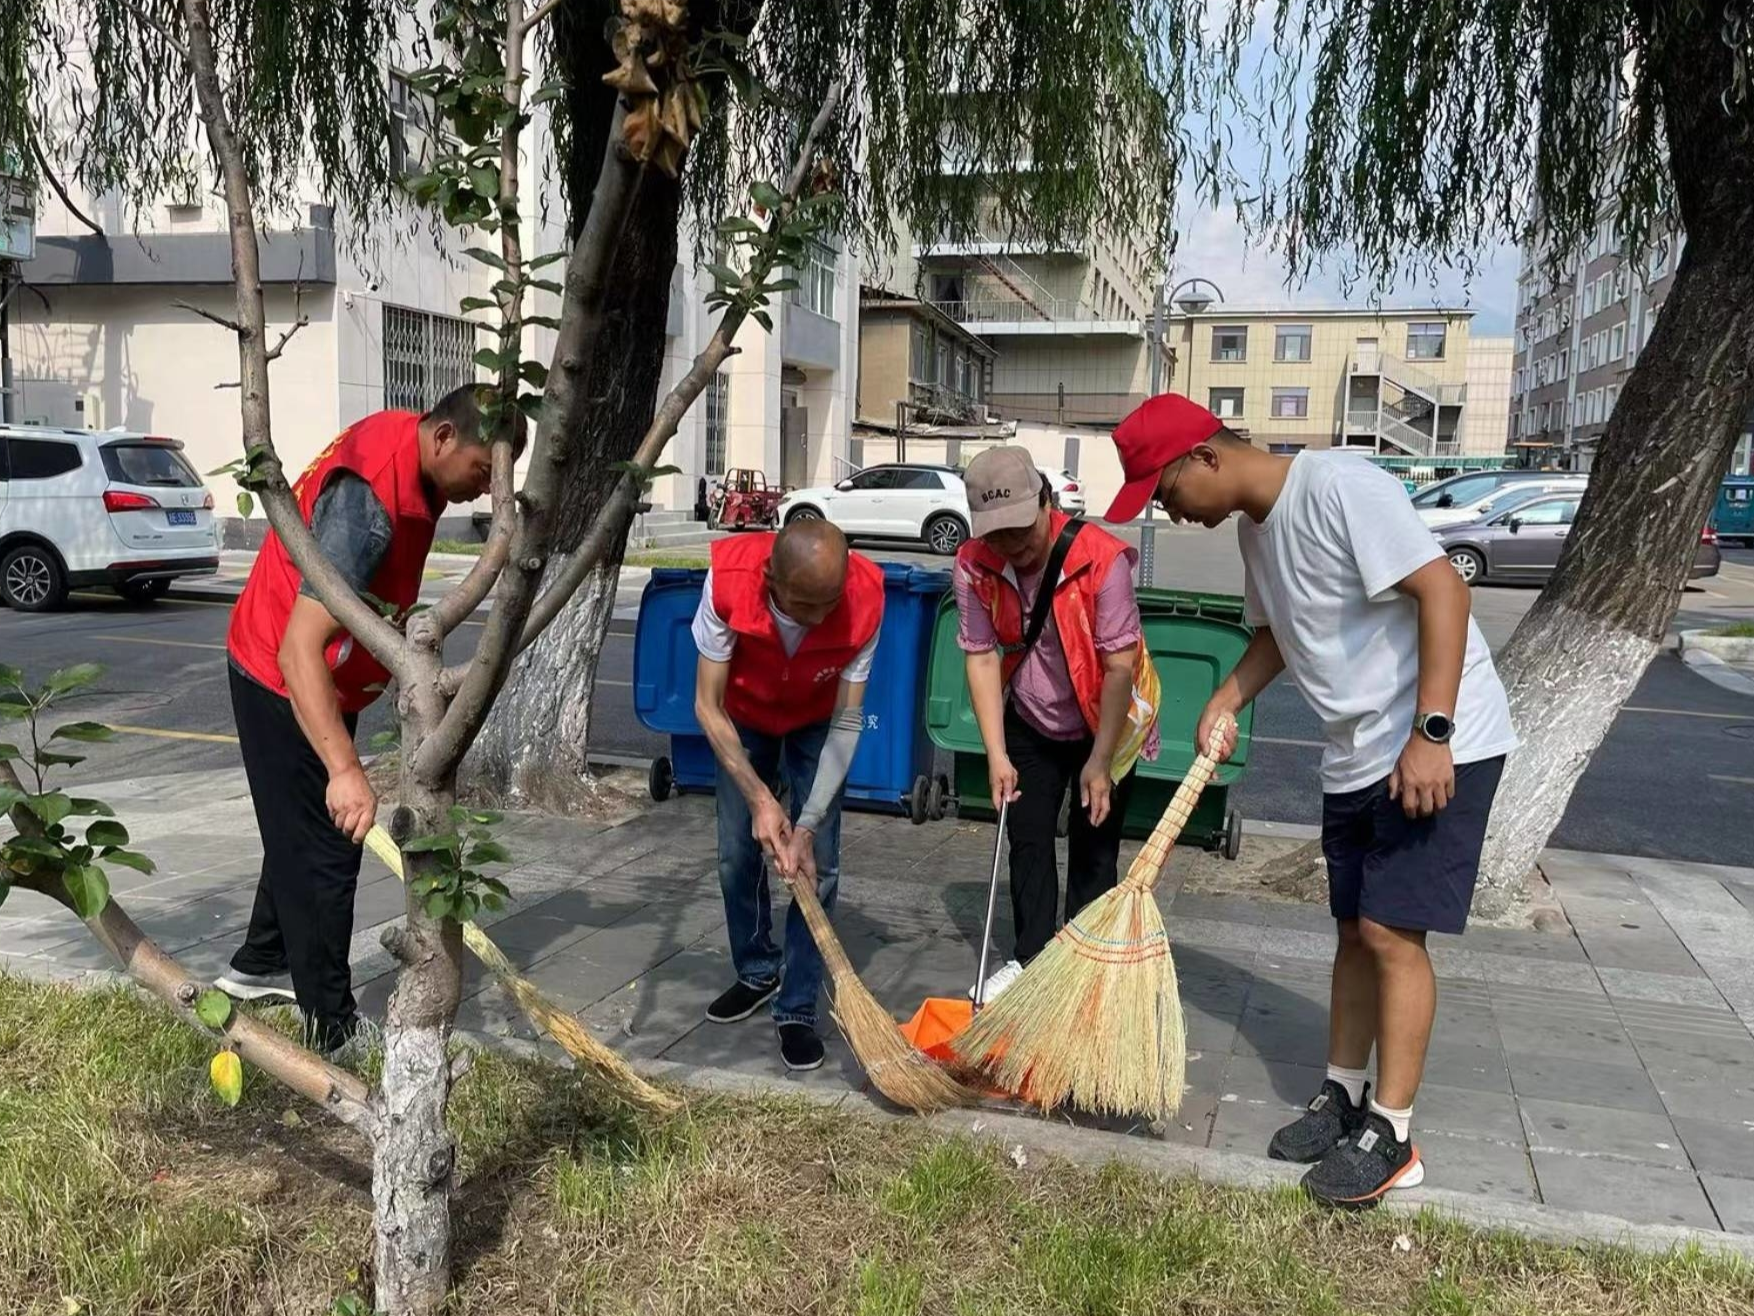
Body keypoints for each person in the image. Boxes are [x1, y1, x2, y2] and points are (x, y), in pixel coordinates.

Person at [1105, 393, 1517, 1209]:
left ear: (1207, 458)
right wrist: (1227, 696)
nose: (1167, 511)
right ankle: (1341, 1095)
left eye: (1165, 490)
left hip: (1437, 741)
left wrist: (1432, 731)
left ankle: (1392, 1133)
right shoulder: (1258, 532)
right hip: (1358, 751)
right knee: (1351, 934)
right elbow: (1277, 637)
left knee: (1391, 933)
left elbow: (1444, 592)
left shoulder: (1338, 487)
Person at [216, 386, 504, 1055]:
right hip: (279, 673)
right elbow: (298, 650)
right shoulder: (368, 505)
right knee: (329, 849)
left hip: (316, 674)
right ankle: (332, 1028)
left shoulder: (408, 441)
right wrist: (345, 770)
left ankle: (261, 961)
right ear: (441, 439)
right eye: (482, 472)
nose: (485, 492)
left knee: (300, 829)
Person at [954, 446, 1160, 1002]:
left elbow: (1119, 667)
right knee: (1027, 837)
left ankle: (1082, 973)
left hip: (1104, 720)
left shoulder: (1100, 559)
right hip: (1029, 714)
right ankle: (1032, 961)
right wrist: (995, 753)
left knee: (1095, 846)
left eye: (1020, 531)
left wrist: (1100, 760)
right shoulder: (975, 562)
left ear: (1047, 500)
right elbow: (979, 654)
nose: (1011, 548)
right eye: (996, 534)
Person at [692, 519, 885, 1071]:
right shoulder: (728, 581)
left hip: (815, 720)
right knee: (736, 854)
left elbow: (848, 722)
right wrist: (760, 799)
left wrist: (806, 824)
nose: (822, 618)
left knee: (816, 864)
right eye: (806, 606)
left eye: (831, 602)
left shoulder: (866, 597)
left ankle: (797, 1005)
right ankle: (756, 969)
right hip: (743, 718)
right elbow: (707, 704)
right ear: (771, 576)